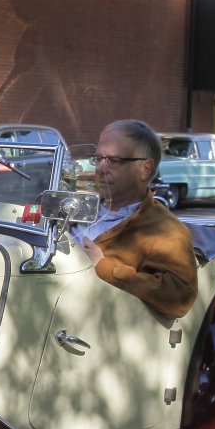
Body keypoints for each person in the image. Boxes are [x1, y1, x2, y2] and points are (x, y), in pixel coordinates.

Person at [77, 119, 197, 320]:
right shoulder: (79, 206)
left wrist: (104, 266)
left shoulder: (165, 230)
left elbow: (180, 298)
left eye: (113, 160)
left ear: (145, 169)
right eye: (98, 158)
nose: (100, 168)